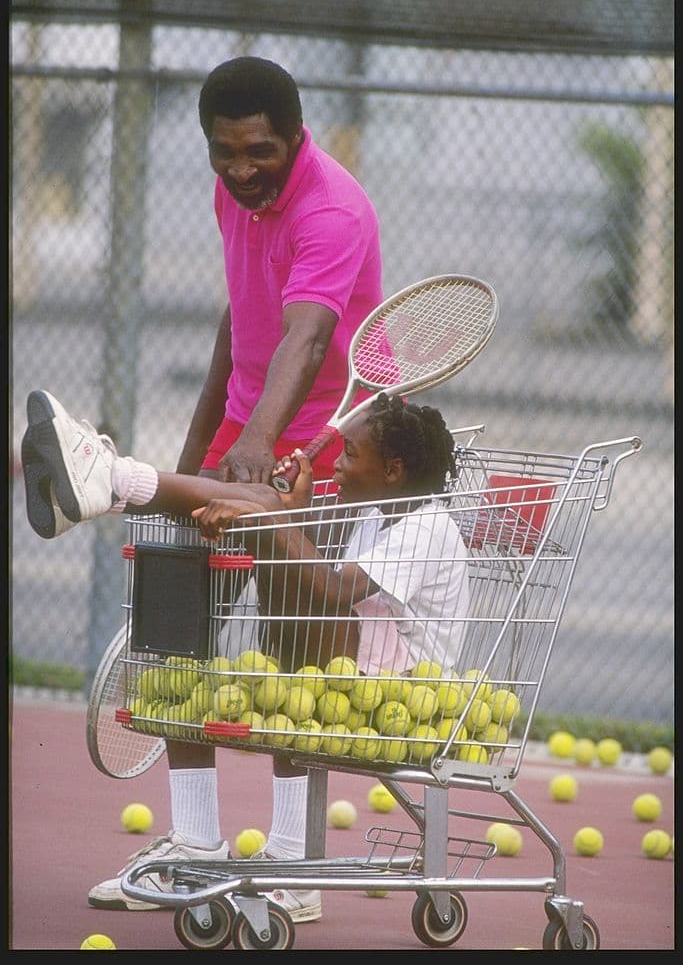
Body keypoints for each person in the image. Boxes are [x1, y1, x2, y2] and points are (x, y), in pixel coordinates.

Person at [22, 55, 385, 919]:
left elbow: (303, 336)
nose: (241, 169)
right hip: (243, 432)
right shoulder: (236, 191)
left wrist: (260, 442)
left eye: (258, 151)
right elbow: (241, 314)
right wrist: (200, 451)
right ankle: (193, 846)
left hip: (326, 442)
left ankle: (296, 873)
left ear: (295, 139)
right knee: (174, 629)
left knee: (300, 658)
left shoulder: (329, 210)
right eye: (223, 153)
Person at [22, 389, 470, 919]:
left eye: (350, 453)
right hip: (364, 668)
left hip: (398, 689)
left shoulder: (426, 527)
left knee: (263, 508)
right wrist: (286, 512)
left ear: (393, 470)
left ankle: (113, 480)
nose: (339, 464)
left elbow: (332, 589)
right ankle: (107, 484)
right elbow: (318, 572)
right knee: (264, 506)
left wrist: (272, 517)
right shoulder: (383, 512)